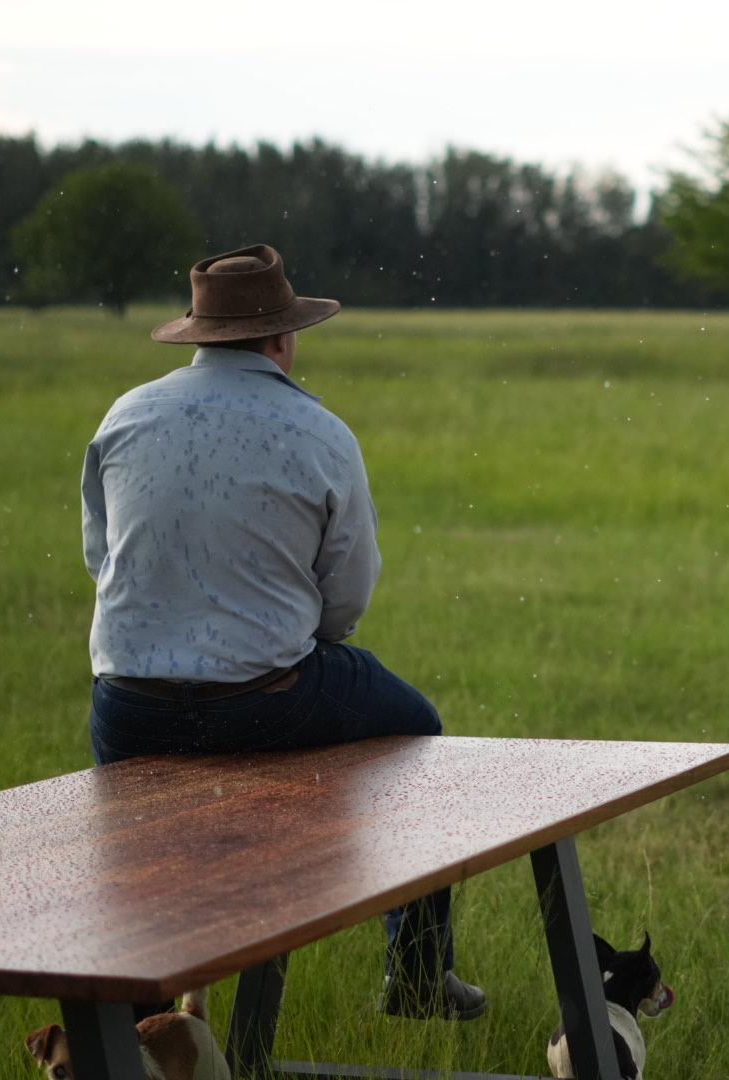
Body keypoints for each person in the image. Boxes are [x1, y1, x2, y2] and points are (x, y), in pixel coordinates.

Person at [80, 243, 485, 1021]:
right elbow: (346, 599)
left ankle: (133, 1025)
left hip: (129, 706)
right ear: (282, 339)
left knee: (138, 858)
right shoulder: (318, 430)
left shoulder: (125, 415)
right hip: (268, 701)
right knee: (417, 729)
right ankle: (419, 975)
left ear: (199, 336)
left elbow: (103, 559)